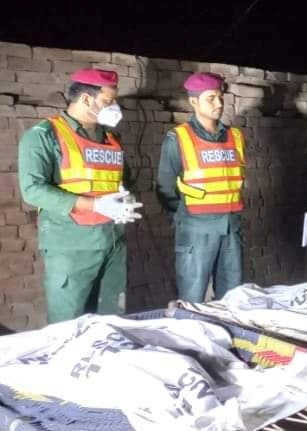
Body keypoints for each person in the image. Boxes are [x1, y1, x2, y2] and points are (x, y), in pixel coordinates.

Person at [18, 68, 142, 323]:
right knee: (68, 325)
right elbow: (32, 190)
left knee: (111, 320)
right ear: (86, 99)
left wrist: (125, 199)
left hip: (113, 243)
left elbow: (123, 180)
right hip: (71, 247)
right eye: (108, 101)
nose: (115, 107)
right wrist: (95, 204)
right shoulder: (44, 136)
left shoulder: (111, 138)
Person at [157, 72, 245, 303]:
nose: (218, 104)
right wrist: (184, 216)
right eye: (211, 98)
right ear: (194, 102)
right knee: (192, 296)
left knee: (233, 296)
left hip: (231, 227)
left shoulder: (235, 136)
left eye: (220, 97)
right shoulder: (178, 137)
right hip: (196, 227)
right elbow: (165, 186)